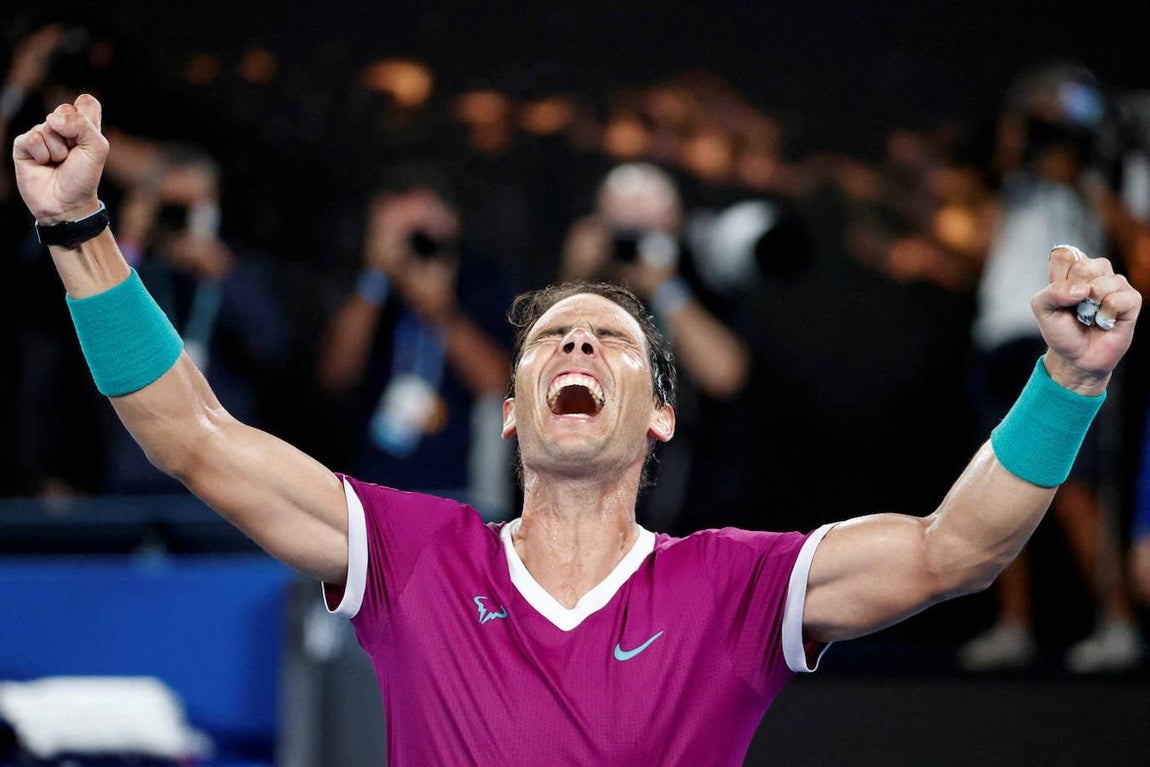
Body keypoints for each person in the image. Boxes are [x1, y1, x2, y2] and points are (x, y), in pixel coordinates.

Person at [13, 95, 1142, 764]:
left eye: (606, 339)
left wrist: (1066, 381)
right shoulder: (413, 553)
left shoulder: (739, 583)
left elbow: (957, 549)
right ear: (510, 413)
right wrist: (79, 231)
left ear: (657, 413)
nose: (576, 350)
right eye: (551, 340)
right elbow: (193, 437)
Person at [960, 64, 1145, 672]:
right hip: (1000, 339)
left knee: (1075, 493)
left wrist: (1086, 182)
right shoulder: (1013, 185)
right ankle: (1014, 627)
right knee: (996, 482)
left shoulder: (1114, 172)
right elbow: (977, 245)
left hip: (1071, 339)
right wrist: (1024, 130)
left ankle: (1115, 622)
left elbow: (1139, 258)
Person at [315, 168, 515, 518]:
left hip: (460, 491)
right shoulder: (364, 287)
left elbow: (495, 384)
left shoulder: (481, 282)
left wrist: (441, 312)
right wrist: (375, 280)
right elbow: (335, 374)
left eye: (420, 227)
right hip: (372, 490)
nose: (412, 241)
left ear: (449, 221)